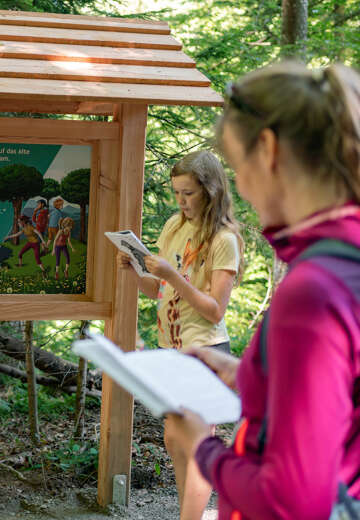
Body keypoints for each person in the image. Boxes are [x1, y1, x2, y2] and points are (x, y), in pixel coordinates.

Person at [165, 61, 360, 520]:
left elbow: (292, 500)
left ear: (268, 149)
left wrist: (203, 449)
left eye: (236, 166)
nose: (243, 191)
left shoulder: (313, 291)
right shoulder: (346, 261)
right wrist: (248, 373)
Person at [117, 150, 244, 520]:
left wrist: (173, 276)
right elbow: (156, 290)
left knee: (195, 443)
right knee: (174, 440)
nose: (181, 201)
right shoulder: (174, 226)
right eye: (176, 193)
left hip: (205, 351)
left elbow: (214, 309)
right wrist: (134, 269)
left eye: (188, 193)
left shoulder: (224, 239)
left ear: (210, 190)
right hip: (170, 349)